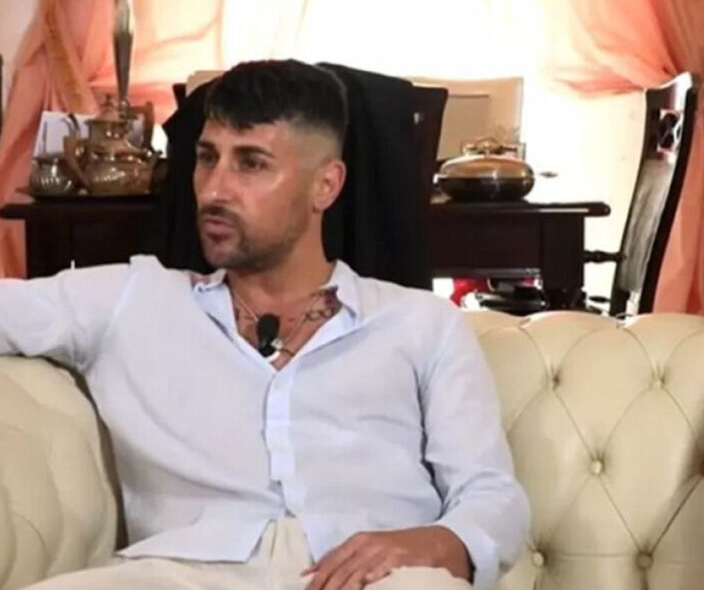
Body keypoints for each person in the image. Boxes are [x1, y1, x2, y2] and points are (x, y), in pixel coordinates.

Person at [1, 60, 529, 590]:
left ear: (326, 185)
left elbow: (492, 495)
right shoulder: (133, 298)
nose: (214, 190)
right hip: (183, 575)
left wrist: (432, 544)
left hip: (372, 575)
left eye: (251, 164)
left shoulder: (421, 324)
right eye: (207, 159)